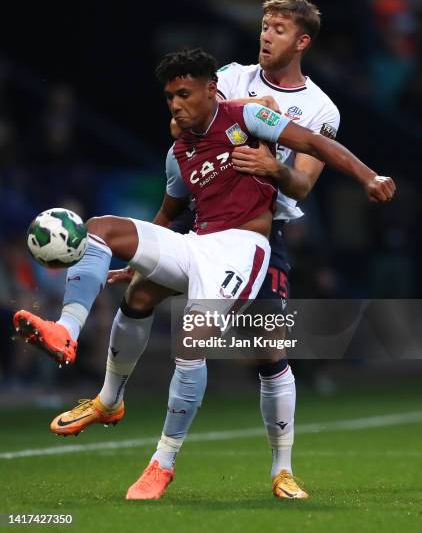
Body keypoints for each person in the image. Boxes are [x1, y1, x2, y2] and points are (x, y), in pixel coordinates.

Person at [13, 48, 395, 501]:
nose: (175, 104)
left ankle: (164, 462)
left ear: (212, 90)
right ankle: (67, 333)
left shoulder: (248, 117)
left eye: (184, 94)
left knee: (206, 343)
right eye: (170, 97)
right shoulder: (178, 153)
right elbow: (167, 214)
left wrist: (368, 177)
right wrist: (134, 257)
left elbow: (314, 144)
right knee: (101, 233)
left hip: (242, 249)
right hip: (196, 242)